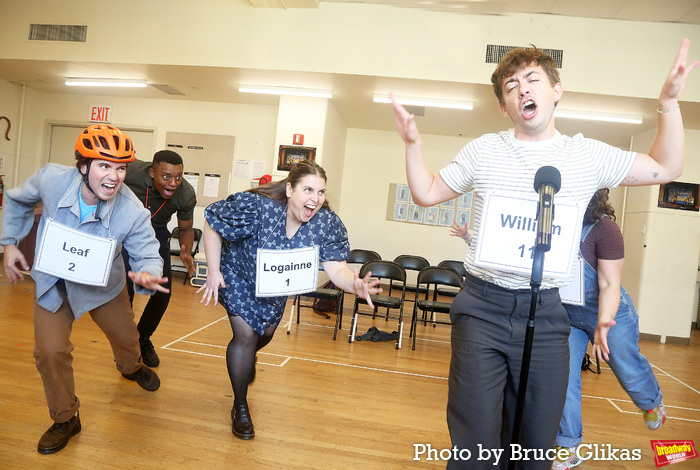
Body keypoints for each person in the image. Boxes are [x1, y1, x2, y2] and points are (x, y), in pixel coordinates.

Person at [391, 39, 696, 469]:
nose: (523, 90)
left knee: (536, 446)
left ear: (556, 90)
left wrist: (668, 103)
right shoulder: (484, 150)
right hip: (483, 308)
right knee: (475, 445)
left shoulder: (587, 155)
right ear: (504, 107)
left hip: (549, 312)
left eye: (532, 80)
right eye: (512, 87)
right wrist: (412, 144)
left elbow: (667, 168)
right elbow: (424, 192)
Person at [0, 124, 168, 454]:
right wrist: (9, 243)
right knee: (49, 352)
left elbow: (148, 251)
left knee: (127, 338)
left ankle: (132, 367)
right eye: (104, 166)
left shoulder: (132, 210)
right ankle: (66, 417)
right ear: (83, 166)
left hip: (104, 285)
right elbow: (18, 200)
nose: (114, 176)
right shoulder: (52, 179)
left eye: (121, 168)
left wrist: (148, 272)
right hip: (55, 282)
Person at [197, 160, 381, 440]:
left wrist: (354, 284)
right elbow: (213, 222)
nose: (315, 199)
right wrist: (213, 270)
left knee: (265, 334)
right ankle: (241, 406)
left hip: (274, 287)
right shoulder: (257, 206)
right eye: (308, 189)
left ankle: (248, 358)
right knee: (245, 335)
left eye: (321, 192)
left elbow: (337, 268)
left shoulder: (326, 223)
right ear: (290, 188)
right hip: (239, 274)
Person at [552, 189, 665, 470]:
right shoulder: (553, 223)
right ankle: (567, 445)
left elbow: (609, 285)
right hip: (566, 313)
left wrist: (603, 321)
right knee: (562, 378)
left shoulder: (605, 229)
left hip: (608, 312)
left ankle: (650, 403)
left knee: (625, 365)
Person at [122, 150, 197, 367]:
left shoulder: (186, 194)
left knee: (162, 291)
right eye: (166, 177)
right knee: (126, 290)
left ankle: (143, 338)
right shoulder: (133, 172)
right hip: (127, 231)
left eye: (179, 177)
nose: (173, 183)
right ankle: (126, 344)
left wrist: (186, 251)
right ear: (152, 172)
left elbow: (186, 229)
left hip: (157, 233)